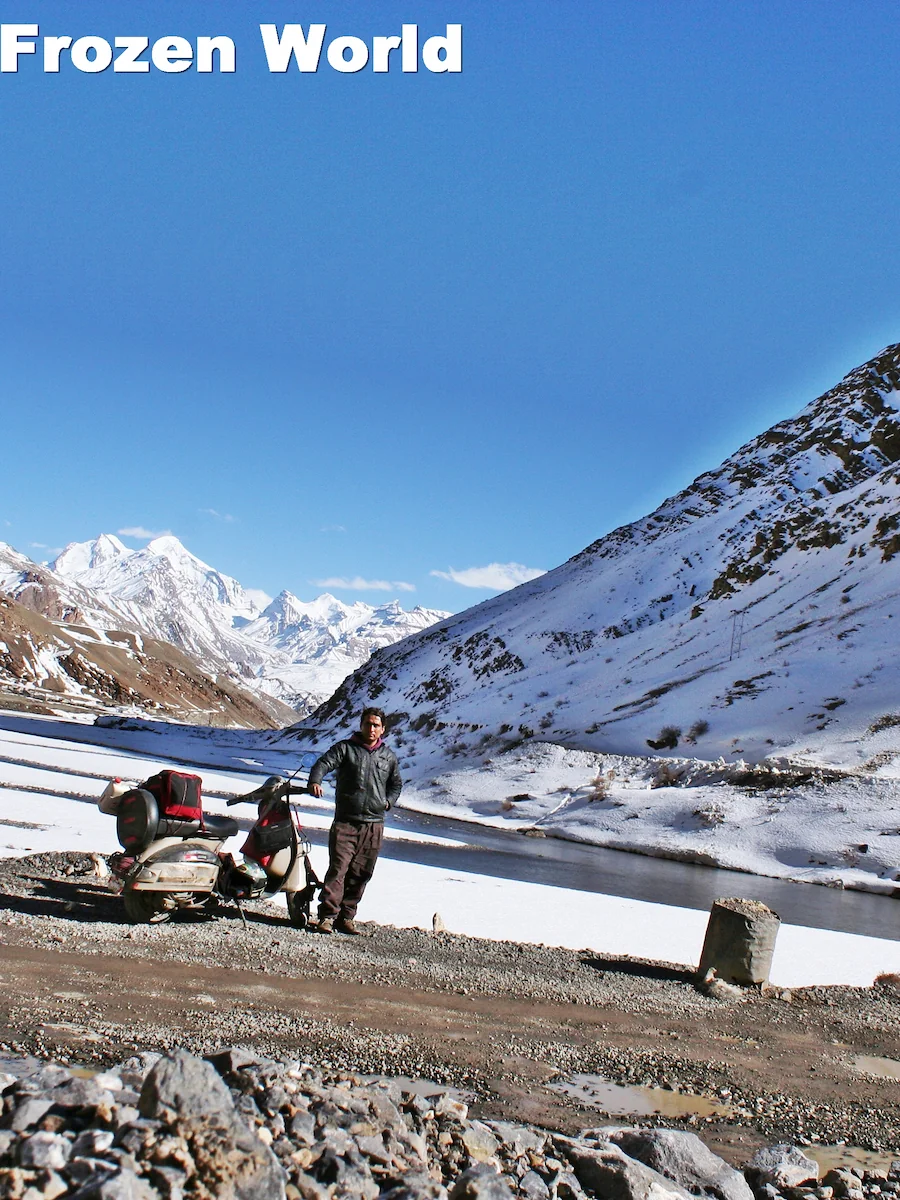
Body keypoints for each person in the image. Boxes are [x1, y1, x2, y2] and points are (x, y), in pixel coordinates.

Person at [306, 706, 402, 935]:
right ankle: (327, 917)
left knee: (362, 872)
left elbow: (396, 784)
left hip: (374, 824)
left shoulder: (388, 757)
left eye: (376, 725)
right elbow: (323, 763)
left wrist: (388, 802)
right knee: (338, 869)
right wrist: (315, 781)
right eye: (367, 724)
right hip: (346, 822)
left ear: (383, 730)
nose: (371, 728)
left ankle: (346, 917)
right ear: (360, 725)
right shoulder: (345, 749)